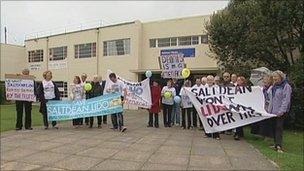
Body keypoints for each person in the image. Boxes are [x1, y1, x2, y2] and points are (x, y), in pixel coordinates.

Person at [270, 70, 292, 153]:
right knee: (273, 126)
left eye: (276, 77)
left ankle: (279, 145)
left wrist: (282, 111)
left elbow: (286, 100)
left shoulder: (286, 86)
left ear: (281, 77)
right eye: (273, 77)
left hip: (280, 111)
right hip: (273, 111)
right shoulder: (274, 86)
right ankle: (276, 144)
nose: (274, 78)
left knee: (279, 127)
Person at [257, 74, 274, 139]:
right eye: (264, 81)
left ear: (269, 81)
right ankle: (263, 134)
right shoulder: (264, 88)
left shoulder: (271, 88)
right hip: (263, 107)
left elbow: (270, 100)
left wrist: (269, 110)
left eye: (265, 81)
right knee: (263, 121)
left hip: (268, 107)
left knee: (269, 122)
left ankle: (268, 136)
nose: (264, 82)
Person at [203, 75, 220, 140]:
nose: (210, 81)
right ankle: (208, 133)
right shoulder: (204, 87)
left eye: (211, 80)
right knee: (207, 120)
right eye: (208, 80)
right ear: (207, 81)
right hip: (207, 106)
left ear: (213, 81)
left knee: (215, 120)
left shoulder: (217, 87)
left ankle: (216, 134)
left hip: (214, 106)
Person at [233, 76, 246, 140]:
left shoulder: (245, 88)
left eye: (239, 80)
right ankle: (238, 133)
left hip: (242, 106)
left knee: (241, 119)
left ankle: (238, 133)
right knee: (237, 119)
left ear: (242, 81)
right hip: (236, 105)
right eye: (237, 80)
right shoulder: (235, 87)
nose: (238, 81)